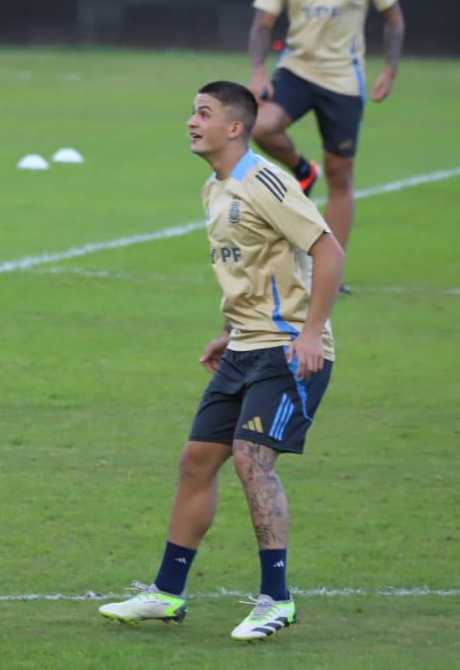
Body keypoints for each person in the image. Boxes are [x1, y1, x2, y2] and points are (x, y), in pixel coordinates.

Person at [99, 81, 344, 642]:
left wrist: (310, 333)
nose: (191, 121)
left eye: (203, 114)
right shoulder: (214, 189)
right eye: (191, 111)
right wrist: (229, 330)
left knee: (250, 459)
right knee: (195, 462)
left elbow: (328, 249)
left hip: (287, 352)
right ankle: (166, 593)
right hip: (244, 347)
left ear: (235, 127)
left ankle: (275, 600)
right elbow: (257, 270)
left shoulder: (266, 180)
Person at [247, 0, 404, 285]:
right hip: (296, 70)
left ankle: (330, 270)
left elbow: (393, 19)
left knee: (340, 174)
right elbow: (263, 23)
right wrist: (257, 71)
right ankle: (301, 168)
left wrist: (389, 69)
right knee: (261, 126)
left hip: (343, 81)